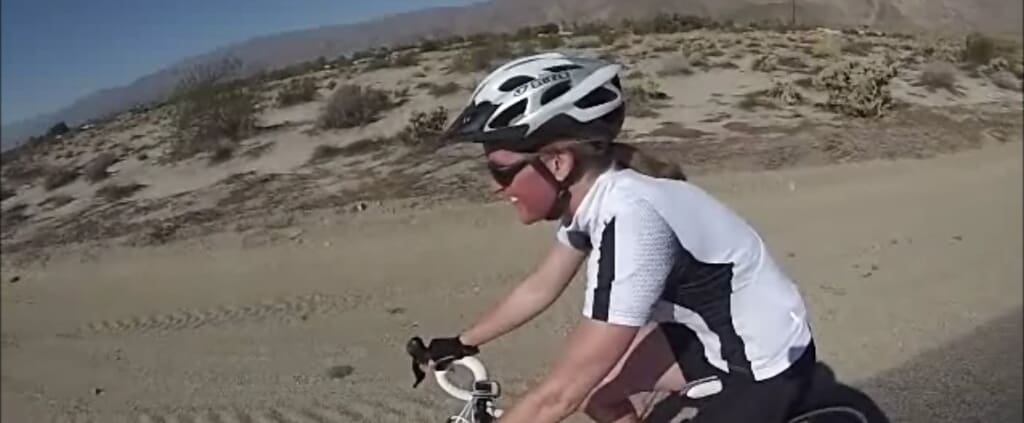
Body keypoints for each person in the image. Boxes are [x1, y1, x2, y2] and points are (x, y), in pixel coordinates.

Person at [421, 52, 818, 423]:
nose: (495, 186)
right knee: (601, 396)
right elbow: (539, 288)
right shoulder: (596, 198)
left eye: (502, 170)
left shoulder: (632, 219)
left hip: (762, 362)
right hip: (706, 332)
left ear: (558, 163)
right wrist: (462, 341)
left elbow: (560, 395)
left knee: (580, 389)